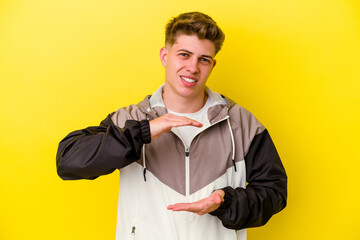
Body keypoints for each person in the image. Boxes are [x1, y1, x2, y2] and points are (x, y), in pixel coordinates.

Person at [56, 12, 287, 240]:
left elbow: (275, 191)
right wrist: (142, 133)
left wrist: (225, 203)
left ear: (213, 65)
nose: (193, 68)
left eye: (203, 59)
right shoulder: (132, 119)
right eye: (184, 55)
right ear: (165, 56)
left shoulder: (240, 123)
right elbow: (68, 161)